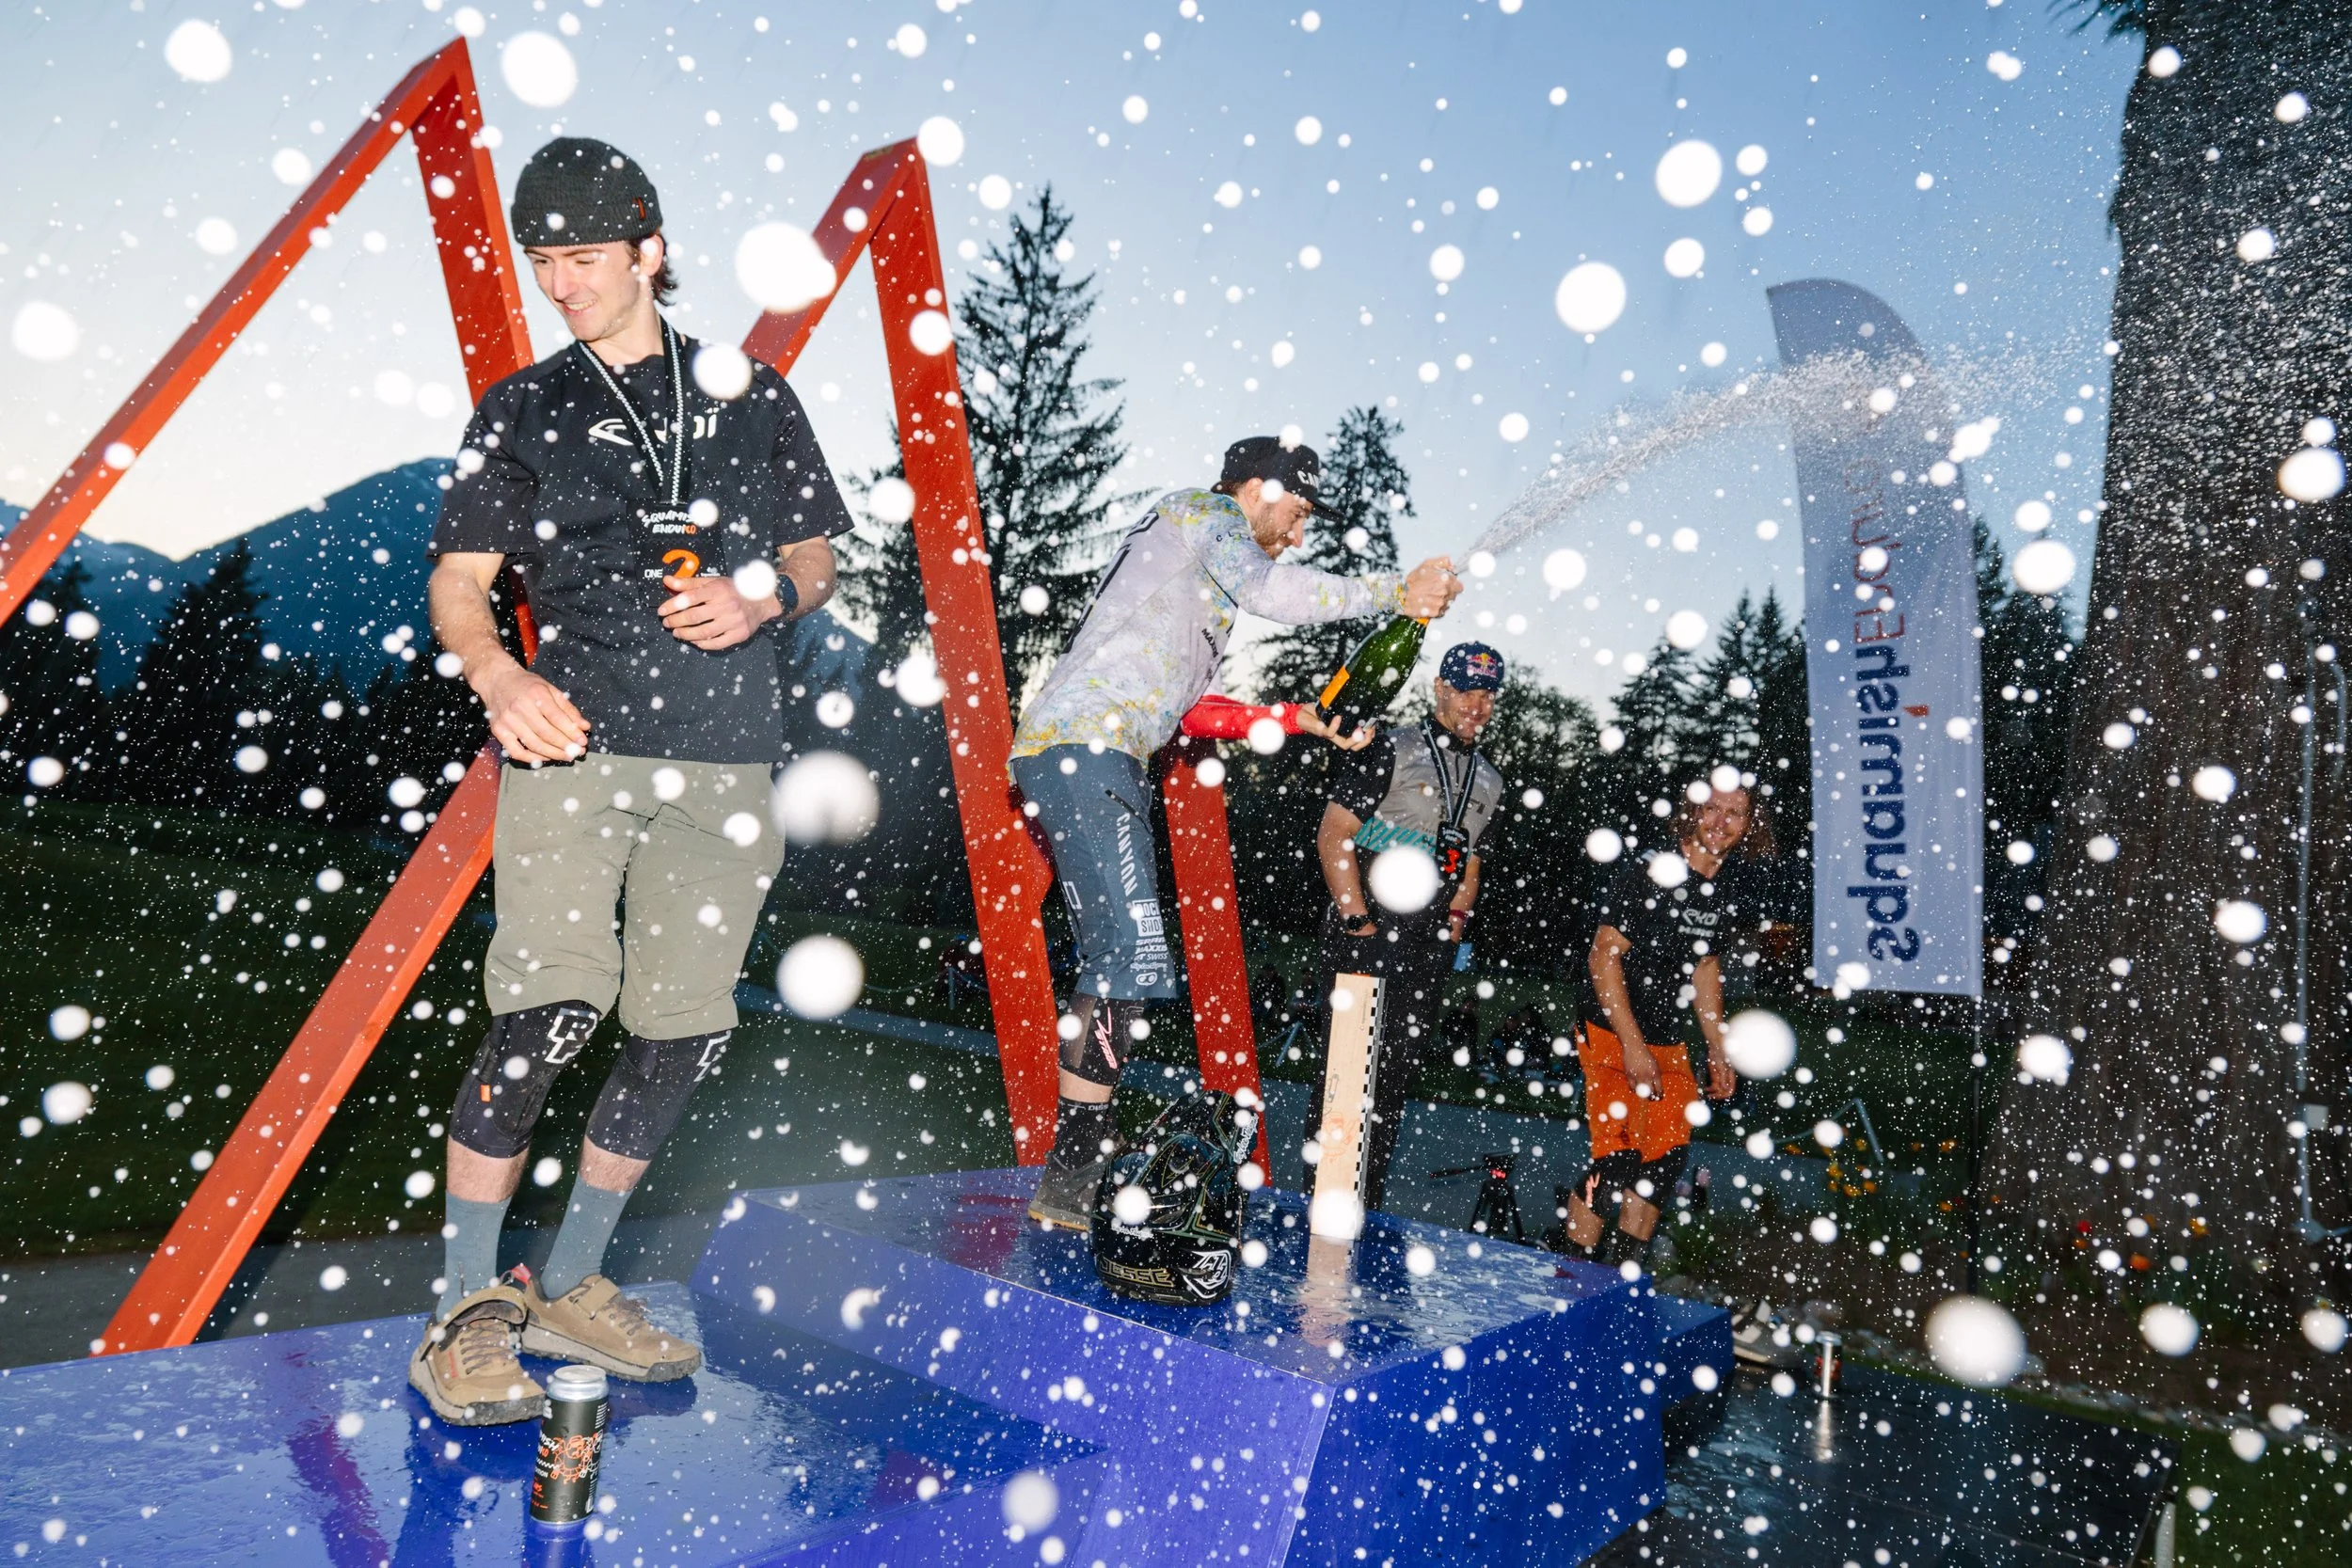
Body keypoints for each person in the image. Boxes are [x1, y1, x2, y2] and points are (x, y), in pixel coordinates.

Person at [411, 136, 854, 1425]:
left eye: (586, 259)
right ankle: (461, 1305)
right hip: (575, 747)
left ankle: (571, 1275)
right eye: (544, 261)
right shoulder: (522, 405)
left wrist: (763, 584)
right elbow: (459, 582)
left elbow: (817, 556)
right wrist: (498, 675)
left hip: (729, 759)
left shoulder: (754, 396)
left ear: (650, 249)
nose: (562, 283)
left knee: (683, 1027)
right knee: (545, 1012)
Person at [1010, 436, 1463, 1228]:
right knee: (1131, 952)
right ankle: (1073, 1170)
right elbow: (1272, 589)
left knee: (1127, 955)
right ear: (1258, 486)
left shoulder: (1197, 573)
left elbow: (1192, 709)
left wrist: (1299, 721)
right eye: (1297, 511)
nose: (1298, 531)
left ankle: (1074, 1167)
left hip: (1098, 749)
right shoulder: (1205, 511)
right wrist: (1396, 592)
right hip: (1084, 746)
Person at [1301, 643, 1507, 1213]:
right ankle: (1316, 1202)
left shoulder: (1490, 777)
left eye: (1486, 693)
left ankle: (1362, 1204)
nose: (1476, 704)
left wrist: (1457, 922)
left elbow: (1472, 860)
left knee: (1392, 1077)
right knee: (1344, 1072)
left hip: (1430, 934)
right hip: (1370, 916)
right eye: (1465, 689)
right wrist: (1356, 918)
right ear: (1440, 687)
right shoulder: (1392, 745)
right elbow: (1334, 832)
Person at [1561, 776, 1757, 1268]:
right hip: (1611, 1032)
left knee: (1662, 1167)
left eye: (1734, 813)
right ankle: (1570, 1280)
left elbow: (1706, 967)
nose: (1720, 822)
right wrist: (1631, 1046)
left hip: (1665, 1040)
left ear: (1750, 826)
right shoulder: (1650, 873)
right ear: (1691, 813)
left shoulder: (1725, 889)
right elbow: (1603, 958)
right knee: (1617, 1162)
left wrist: (1717, 1046)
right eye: (1711, 809)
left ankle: (1618, 1287)